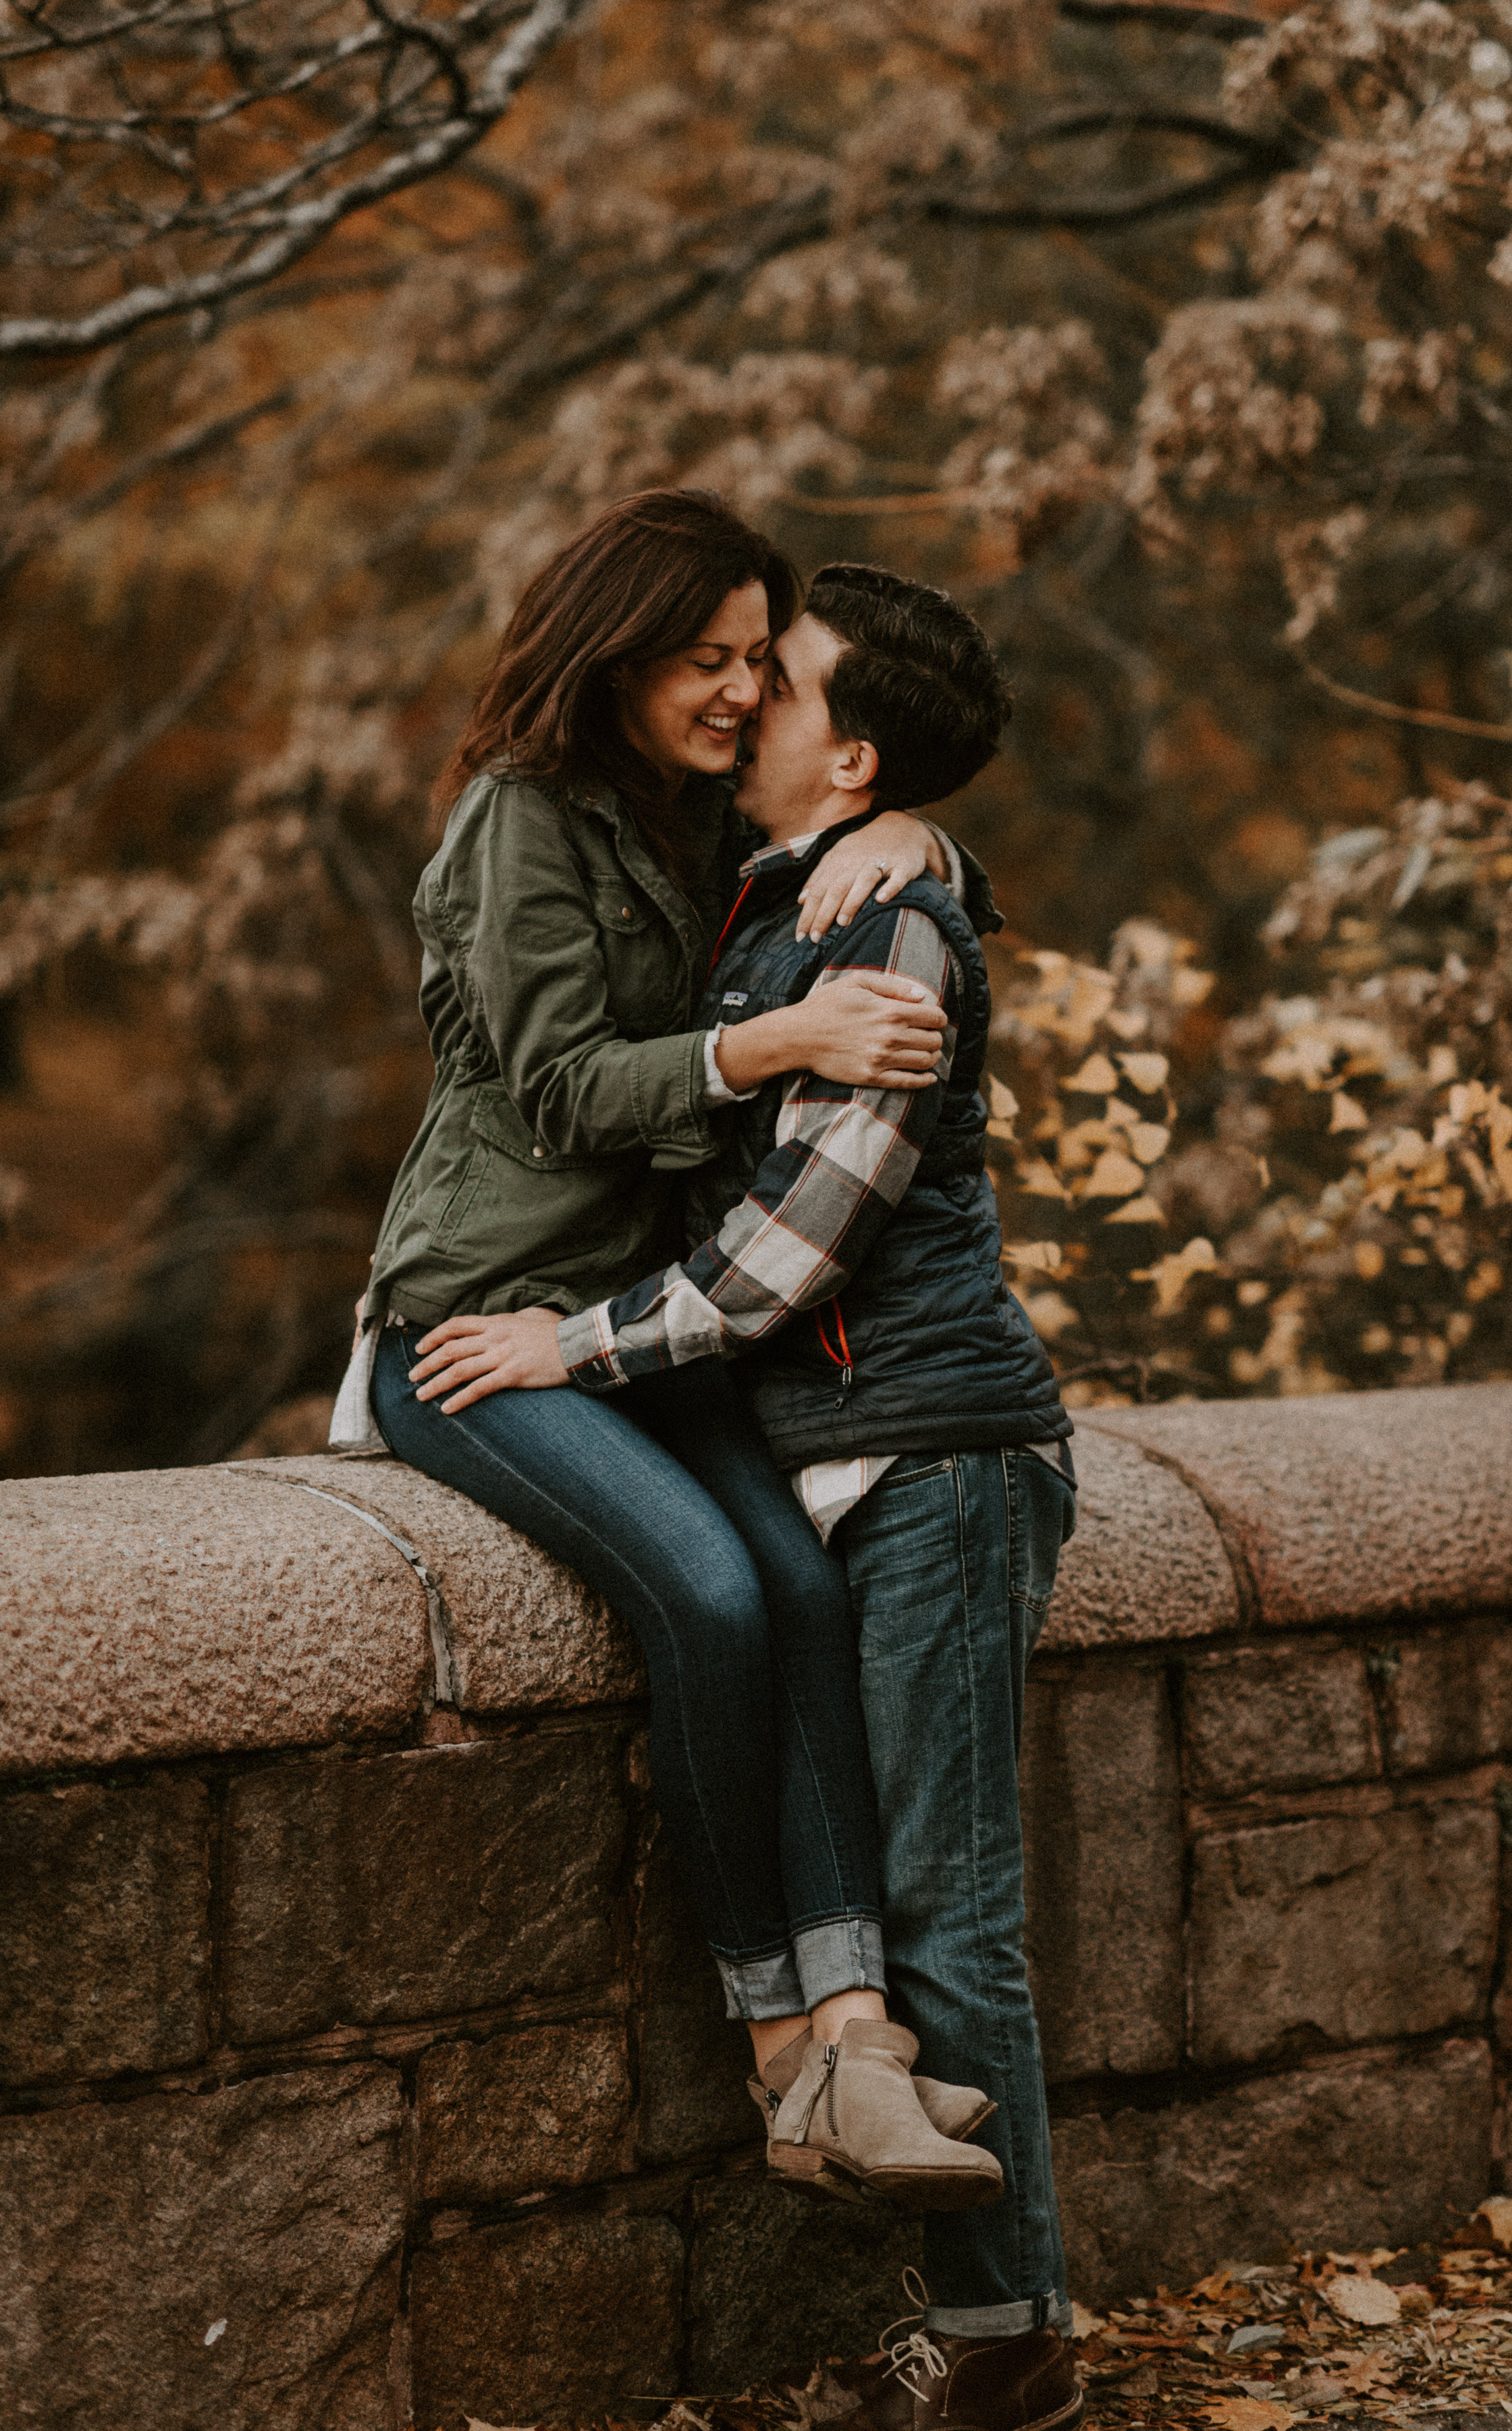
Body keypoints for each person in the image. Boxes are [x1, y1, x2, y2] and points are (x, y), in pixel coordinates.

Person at [406, 563, 1083, 2431]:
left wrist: (570, 1347)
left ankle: (1008, 2343)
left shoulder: (886, 927)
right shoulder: (785, 881)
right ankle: (984, 2315)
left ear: (844, 751)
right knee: (929, 1892)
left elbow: (779, 1270)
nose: (737, 702)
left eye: (768, 678)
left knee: (951, 1915)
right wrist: (915, 831)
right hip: (857, 1468)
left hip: (937, 1464)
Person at [343, 488, 1002, 2204]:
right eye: (704, 659)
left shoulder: (703, 820)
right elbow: (564, 1089)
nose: (733, 692)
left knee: (797, 1589)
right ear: (614, 652)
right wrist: (785, 1031)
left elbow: (833, 839)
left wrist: (923, 843)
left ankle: (862, 2045)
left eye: (750, 662)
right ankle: (781, 2042)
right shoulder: (520, 821)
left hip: (633, 1333)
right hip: (481, 1328)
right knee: (704, 1597)